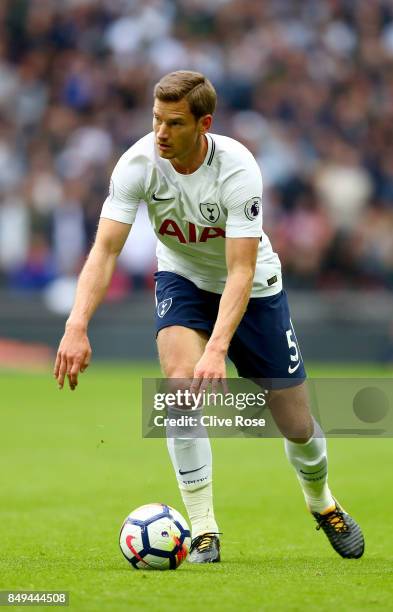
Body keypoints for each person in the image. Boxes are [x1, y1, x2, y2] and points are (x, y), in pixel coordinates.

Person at [54, 70, 364, 563]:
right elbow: (105, 251)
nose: (160, 133)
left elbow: (240, 270)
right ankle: (203, 529)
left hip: (255, 290)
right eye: (155, 118)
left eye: (173, 123)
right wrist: (76, 325)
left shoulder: (238, 168)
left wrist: (218, 347)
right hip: (182, 280)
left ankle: (321, 502)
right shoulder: (137, 163)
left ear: (204, 124)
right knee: (180, 388)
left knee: (298, 426)